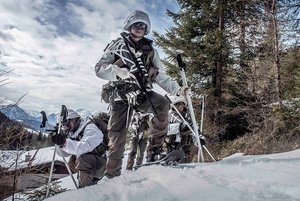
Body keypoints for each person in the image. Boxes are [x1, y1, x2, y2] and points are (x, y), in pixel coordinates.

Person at [95, 10, 188, 178]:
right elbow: (99, 69)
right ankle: (112, 174)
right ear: (129, 25)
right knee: (117, 136)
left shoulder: (150, 50)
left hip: (141, 93)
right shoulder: (116, 45)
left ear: (147, 29)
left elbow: (160, 75)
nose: (139, 27)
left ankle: (154, 151)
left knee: (162, 104)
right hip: (120, 95)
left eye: (143, 25)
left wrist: (177, 89)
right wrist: (115, 71)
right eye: (136, 24)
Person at [51, 109, 106, 188]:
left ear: (75, 120)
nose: (65, 127)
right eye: (63, 125)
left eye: (66, 123)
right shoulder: (73, 132)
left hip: (103, 164)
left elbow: (85, 146)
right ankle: (89, 184)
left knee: (83, 159)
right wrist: (60, 143)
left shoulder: (91, 128)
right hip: (93, 164)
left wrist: (64, 143)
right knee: (74, 160)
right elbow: (63, 154)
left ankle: (84, 191)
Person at [165, 96, 193, 163]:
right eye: (177, 104)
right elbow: (166, 129)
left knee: (185, 156)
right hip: (172, 143)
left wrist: (199, 138)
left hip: (185, 145)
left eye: (182, 104)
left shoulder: (188, 116)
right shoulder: (170, 115)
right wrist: (180, 126)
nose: (180, 106)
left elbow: (194, 130)